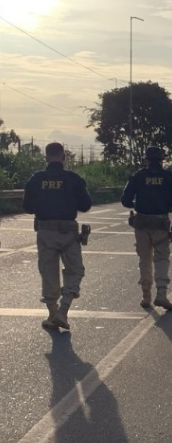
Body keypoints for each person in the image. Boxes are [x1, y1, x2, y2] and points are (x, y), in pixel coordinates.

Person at [22, 142, 92, 331]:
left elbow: (27, 207)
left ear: (46, 158)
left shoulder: (36, 179)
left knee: (48, 272)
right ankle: (63, 310)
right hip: (68, 232)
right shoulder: (73, 178)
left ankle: (53, 314)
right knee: (75, 270)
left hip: (45, 231)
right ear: (64, 157)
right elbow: (86, 205)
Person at [121, 146, 172, 310]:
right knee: (162, 258)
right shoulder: (169, 177)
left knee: (144, 259)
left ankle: (146, 296)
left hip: (141, 223)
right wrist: (165, 200)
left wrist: (138, 203)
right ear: (162, 159)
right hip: (161, 223)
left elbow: (125, 201)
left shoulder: (138, 176)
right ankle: (162, 294)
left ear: (146, 159)